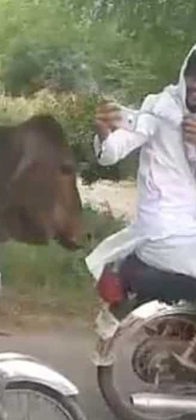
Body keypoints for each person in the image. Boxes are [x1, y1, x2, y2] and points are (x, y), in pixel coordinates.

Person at [86, 43, 196, 299]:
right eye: (192, 86)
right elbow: (115, 149)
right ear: (184, 78)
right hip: (164, 231)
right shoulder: (161, 109)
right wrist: (105, 133)